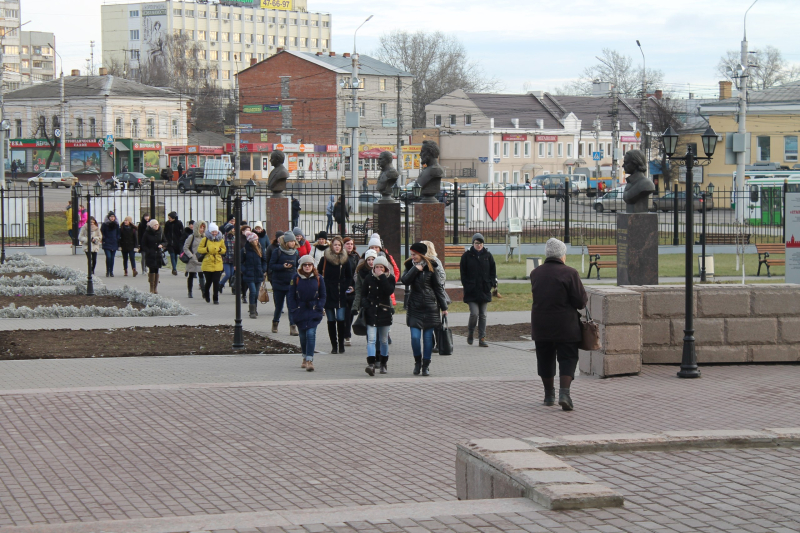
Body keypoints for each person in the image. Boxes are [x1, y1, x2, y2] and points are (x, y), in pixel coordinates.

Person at [530, 238, 588, 411]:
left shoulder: (535, 273)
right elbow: (580, 301)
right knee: (568, 357)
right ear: (562, 255)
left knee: (545, 358)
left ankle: (549, 395)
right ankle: (565, 394)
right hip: (566, 325)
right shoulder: (570, 273)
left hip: (541, 325)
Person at [402, 242, 448, 376]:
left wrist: (444, 307)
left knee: (428, 339)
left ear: (421, 254)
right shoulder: (409, 265)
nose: (413, 257)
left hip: (430, 308)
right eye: (411, 254)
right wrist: (415, 269)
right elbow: (404, 280)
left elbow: (438, 288)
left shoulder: (431, 266)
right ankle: (417, 362)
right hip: (415, 308)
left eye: (415, 254)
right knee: (415, 338)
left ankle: (426, 365)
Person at [288, 255, 326, 372]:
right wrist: (294, 309)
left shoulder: (318, 278)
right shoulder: (296, 278)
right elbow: (290, 296)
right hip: (300, 310)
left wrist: (319, 307)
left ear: (313, 266)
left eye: (309, 265)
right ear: (301, 266)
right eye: (305, 265)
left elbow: (323, 295)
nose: (307, 267)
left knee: (311, 334)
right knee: (303, 336)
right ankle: (304, 356)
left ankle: (310, 360)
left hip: (313, 310)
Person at [317, 235, 353, 354]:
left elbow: (349, 276)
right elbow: (318, 274)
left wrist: (344, 286)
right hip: (328, 291)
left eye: (339, 245)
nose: (337, 247)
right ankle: (334, 345)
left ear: (341, 246)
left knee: (341, 318)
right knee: (331, 319)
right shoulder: (325, 259)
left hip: (340, 292)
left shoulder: (345, 259)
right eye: (335, 245)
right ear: (331, 246)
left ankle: (341, 344)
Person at [460, 233, 497, 347]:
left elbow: (493, 272)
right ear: (473, 243)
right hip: (471, 290)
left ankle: (482, 338)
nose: (479, 245)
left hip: (484, 290)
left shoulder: (488, 256)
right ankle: (471, 332)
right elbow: (463, 274)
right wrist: (467, 285)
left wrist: (491, 283)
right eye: (476, 243)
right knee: (474, 313)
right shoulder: (466, 256)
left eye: (480, 243)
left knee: (483, 315)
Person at [361, 256, 396, 376]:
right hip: (371, 312)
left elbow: (389, 291)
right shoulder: (369, 277)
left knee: (384, 340)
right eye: (376, 267)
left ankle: (383, 363)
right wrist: (366, 305)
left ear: (385, 268)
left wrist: (381, 277)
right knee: (371, 339)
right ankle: (371, 364)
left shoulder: (389, 278)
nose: (378, 269)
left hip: (384, 312)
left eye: (381, 267)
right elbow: (363, 294)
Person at [269, 230, 299, 335]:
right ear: (285, 242)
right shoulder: (277, 251)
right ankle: (275, 323)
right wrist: (282, 266)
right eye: (290, 241)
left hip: (291, 283)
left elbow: (297, 267)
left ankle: (293, 327)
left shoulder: (295, 253)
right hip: (279, 283)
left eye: (293, 241)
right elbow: (271, 266)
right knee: (279, 306)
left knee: (291, 306)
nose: (293, 243)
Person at [421, 240, 447, 352]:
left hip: (434, 296)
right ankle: (430, 343)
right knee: (427, 321)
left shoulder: (435, 261)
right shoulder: (420, 261)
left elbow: (442, 276)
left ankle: (438, 343)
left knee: (435, 321)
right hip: (424, 296)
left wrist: (434, 286)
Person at [198, 223, 226, 304]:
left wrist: (220, 250)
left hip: (217, 262)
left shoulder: (221, 240)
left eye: (215, 231)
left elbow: (224, 250)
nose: (214, 233)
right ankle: (206, 293)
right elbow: (200, 249)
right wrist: (207, 249)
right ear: (210, 232)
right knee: (209, 281)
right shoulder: (205, 239)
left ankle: (215, 298)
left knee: (216, 281)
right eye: (213, 232)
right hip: (208, 262)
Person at [241, 232, 268, 319]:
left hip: (258, 273)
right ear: (251, 241)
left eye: (257, 239)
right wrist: (245, 270)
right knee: (252, 291)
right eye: (255, 240)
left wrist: (263, 269)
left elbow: (264, 260)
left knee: (256, 293)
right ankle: (252, 311)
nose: (257, 241)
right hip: (249, 274)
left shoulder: (260, 248)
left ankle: (254, 308)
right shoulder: (245, 250)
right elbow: (240, 262)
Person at [140, 219, 167, 294]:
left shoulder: (160, 232)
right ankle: (151, 287)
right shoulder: (147, 233)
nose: (156, 226)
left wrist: (162, 245)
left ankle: (155, 287)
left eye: (157, 224)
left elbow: (165, 241)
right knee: (151, 270)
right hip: (150, 254)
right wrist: (148, 251)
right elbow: (143, 244)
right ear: (151, 226)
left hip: (158, 254)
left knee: (157, 270)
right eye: (155, 225)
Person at [342, 237, 360, 346]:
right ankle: (344, 334)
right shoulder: (340, 257)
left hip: (353, 289)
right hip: (342, 288)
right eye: (347, 244)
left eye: (351, 244)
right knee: (343, 314)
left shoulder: (356, 257)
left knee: (350, 313)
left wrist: (354, 286)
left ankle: (347, 335)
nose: (350, 246)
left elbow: (358, 274)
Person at [183, 220, 206, 298]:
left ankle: (204, 292)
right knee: (191, 275)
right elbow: (185, 247)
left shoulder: (205, 237)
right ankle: (190, 291)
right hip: (192, 259)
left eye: (203, 228)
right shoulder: (191, 236)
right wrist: (191, 256)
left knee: (201, 275)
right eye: (200, 227)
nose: (202, 229)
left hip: (201, 259)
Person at [100, 211, 121, 277]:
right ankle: (107, 271)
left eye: (113, 217)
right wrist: (104, 238)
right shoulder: (105, 224)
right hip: (107, 242)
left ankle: (111, 271)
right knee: (108, 257)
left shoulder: (116, 224)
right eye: (111, 217)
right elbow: (101, 232)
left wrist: (117, 238)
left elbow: (118, 233)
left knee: (112, 258)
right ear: (108, 217)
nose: (112, 218)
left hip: (114, 242)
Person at [219, 226, 236, 292]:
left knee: (232, 274)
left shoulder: (234, 238)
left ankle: (232, 287)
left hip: (233, 259)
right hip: (226, 259)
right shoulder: (224, 238)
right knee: (228, 274)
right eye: (232, 229)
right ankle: (220, 284)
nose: (234, 230)